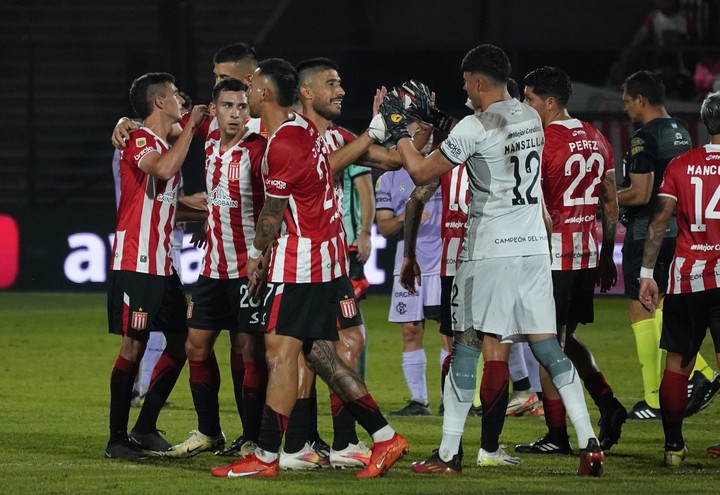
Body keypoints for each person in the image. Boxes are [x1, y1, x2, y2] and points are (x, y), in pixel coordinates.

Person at [379, 44, 603, 476]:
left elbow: (422, 173)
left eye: (466, 82)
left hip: (488, 251)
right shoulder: (531, 117)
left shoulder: (473, 126)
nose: (464, 88)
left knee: (465, 348)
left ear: (479, 82)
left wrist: (400, 130)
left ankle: (448, 455)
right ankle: (588, 442)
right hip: (535, 249)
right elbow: (487, 136)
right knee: (549, 348)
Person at [210, 58, 408, 479]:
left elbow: (272, 213)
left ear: (264, 94)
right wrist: (377, 130)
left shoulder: (284, 141)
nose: (246, 100)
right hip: (322, 260)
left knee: (280, 355)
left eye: (251, 93)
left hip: (299, 263)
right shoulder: (305, 133)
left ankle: (266, 457)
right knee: (319, 356)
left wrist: (256, 256)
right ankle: (383, 436)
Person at [111, 42, 267, 457]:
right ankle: (196, 431)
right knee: (185, 345)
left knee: (235, 348)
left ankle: (253, 434)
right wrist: (127, 121)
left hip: (241, 263)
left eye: (221, 79)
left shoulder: (266, 132)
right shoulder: (206, 127)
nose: (212, 89)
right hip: (189, 265)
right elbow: (159, 140)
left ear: (250, 82)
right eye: (216, 83)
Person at [515, 66, 627, 455]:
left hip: (554, 259)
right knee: (565, 339)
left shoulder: (542, 142)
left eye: (529, 98)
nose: (525, 105)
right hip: (587, 254)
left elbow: (538, 211)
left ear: (549, 102)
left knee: (547, 346)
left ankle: (557, 434)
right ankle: (608, 402)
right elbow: (610, 202)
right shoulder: (597, 137)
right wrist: (608, 254)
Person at [163, 78, 269, 459]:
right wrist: (125, 121)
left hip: (247, 271)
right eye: (228, 106)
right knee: (196, 345)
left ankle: (253, 437)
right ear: (215, 108)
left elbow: (276, 207)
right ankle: (210, 432)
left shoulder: (258, 150)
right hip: (211, 268)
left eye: (242, 106)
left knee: (249, 351)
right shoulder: (208, 137)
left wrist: (265, 254)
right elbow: (167, 120)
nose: (235, 113)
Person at [105, 72, 208, 459]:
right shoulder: (138, 139)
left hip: (162, 265)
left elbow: (163, 202)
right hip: (135, 262)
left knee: (182, 343)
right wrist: (191, 127)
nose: (183, 99)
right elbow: (163, 170)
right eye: (176, 94)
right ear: (160, 102)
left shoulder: (160, 143)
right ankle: (117, 439)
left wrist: (206, 214)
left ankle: (145, 426)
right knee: (134, 344)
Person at [618, 70, 719, 420]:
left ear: (640, 100)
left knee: (641, 308)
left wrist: (603, 201)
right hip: (682, 233)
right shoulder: (681, 133)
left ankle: (654, 397)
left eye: (628, 100)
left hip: (649, 229)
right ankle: (702, 372)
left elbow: (641, 193)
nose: (626, 107)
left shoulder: (643, 138)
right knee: (661, 306)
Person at [638, 90, 720, 466]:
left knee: (677, 363)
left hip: (687, 277)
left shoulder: (682, 165)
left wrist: (645, 274)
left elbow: (659, 222)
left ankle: (673, 448)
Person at [376, 151, 442, 416]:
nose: (421, 131)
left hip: (442, 261)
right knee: (410, 331)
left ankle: (450, 400)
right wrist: (409, 214)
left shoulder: (442, 164)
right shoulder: (389, 177)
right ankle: (419, 401)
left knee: (448, 333)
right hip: (407, 262)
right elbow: (384, 227)